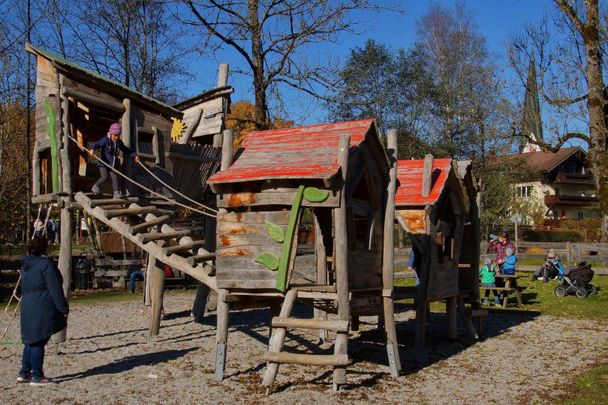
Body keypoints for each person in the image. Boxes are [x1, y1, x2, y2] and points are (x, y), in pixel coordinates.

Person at [17, 237, 69, 386]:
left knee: (30, 340)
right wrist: (63, 308)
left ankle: (24, 371)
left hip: (27, 304)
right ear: (44, 248)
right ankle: (37, 376)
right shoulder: (46, 265)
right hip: (41, 305)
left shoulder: (26, 265)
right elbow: (55, 288)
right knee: (38, 341)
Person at [89, 123, 139, 199]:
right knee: (104, 177)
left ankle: (116, 193)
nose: (116, 137)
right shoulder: (105, 140)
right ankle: (95, 186)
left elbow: (125, 149)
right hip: (103, 163)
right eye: (115, 135)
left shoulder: (119, 142)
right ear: (111, 133)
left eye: (118, 136)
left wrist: (134, 155)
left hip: (112, 164)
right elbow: (96, 144)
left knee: (115, 178)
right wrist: (92, 149)